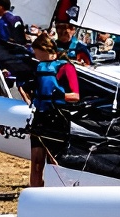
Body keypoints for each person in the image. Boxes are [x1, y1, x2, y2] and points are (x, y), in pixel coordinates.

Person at [26, 32, 80, 188]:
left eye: (36, 52)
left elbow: (76, 96)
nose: (35, 55)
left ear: (44, 50)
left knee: (54, 162)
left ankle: (58, 194)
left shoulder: (66, 67)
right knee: (36, 162)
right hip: (40, 118)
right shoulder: (38, 67)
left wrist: (60, 96)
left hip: (57, 118)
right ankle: (35, 194)